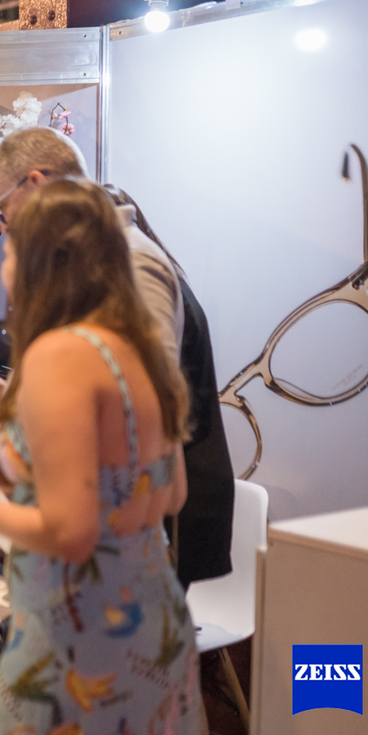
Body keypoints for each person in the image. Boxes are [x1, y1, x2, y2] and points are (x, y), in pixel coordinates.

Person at [0, 180, 203, 735]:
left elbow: (72, 531)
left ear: (39, 260)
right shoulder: (140, 348)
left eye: (11, 247)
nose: (5, 262)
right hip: (155, 626)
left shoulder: (59, 353)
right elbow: (171, 494)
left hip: (79, 635)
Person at [0, 126, 183, 421]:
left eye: (3, 209)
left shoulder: (130, 260)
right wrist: (7, 401)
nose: (4, 228)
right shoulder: (87, 262)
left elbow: (147, 407)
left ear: (36, 184)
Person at [103, 185, 235, 588]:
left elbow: (155, 399)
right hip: (187, 475)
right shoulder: (167, 279)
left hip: (185, 484)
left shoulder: (146, 284)